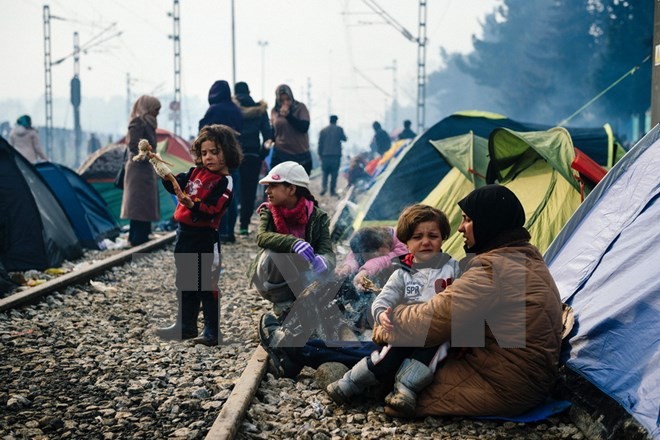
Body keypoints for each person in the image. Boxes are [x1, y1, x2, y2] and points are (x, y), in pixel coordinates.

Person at [371, 184, 563, 418]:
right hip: (523, 375)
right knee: (413, 360)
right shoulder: (524, 256)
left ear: (488, 222)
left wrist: (387, 321)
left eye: (467, 220)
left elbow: (429, 323)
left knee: (392, 386)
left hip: (504, 384)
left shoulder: (493, 268)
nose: (460, 228)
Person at [326, 205, 461, 416]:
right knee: (385, 358)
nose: (426, 241)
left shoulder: (452, 267)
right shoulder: (402, 272)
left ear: (443, 237)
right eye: (418, 237)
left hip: (437, 330)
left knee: (432, 355)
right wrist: (381, 314)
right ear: (407, 242)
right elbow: (384, 298)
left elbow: (463, 294)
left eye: (433, 236)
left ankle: (405, 390)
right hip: (406, 329)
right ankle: (350, 382)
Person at [156, 124, 243, 346]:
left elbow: (214, 208)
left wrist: (192, 204)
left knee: (206, 284)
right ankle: (185, 325)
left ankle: (212, 331)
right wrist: (164, 174)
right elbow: (176, 185)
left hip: (205, 237)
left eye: (215, 152)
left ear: (228, 152)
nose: (209, 157)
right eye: (204, 153)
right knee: (185, 281)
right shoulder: (195, 172)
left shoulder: (225, 182)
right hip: (184, 234)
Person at [247, 161, 335, 319]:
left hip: (306, 279)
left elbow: (327, 251)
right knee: (272, 252)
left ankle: (305, 303)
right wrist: (293, 242)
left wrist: (324, 261)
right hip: (271, 282)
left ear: (291, 189)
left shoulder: (318, 216)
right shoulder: (268, 211)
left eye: (273, 186)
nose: (267, 191)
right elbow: (262, 237)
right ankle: (283, 305)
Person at [199, 80, 244, 244]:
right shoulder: (236, 110)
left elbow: (203, 129)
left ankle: (220, 230)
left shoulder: (214, 109)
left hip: (217, 160)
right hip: (233, 158)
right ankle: (230, 232)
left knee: (217, 196)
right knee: (231, 196)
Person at [232, 81, 273, 236]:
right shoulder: (260, 110)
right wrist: (262, 153)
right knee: (249, 191)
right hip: (253, 155)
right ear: (249, 91)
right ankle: (244, 225)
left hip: (234, 155)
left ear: (235, 93)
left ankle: (229, 226)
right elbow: (268, 134)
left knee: (232, 190)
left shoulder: (232, 108)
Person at [120, 95, 161, 246]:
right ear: (148, 108)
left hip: (145, 170)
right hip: (137, 170)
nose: (157, 113)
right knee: (138, 206)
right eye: (156, 109)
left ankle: (143, 234)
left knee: (145, 205)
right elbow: (133, 146)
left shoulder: (148, 124)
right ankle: (137, 237)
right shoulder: (138, 122)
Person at [335, 226, 408, 291]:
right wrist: (348, 267)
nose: (368, 259)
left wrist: (365, 271)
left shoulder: (404, 244)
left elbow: (384, 261)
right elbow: (354, 255)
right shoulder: (375, 239)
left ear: (380, 249)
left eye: (370, 257)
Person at [270, 85, 312, 175]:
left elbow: (304, 127)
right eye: (282, 100)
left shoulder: (300, 108)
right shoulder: (275, 111)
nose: (285, 103)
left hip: (300, 154)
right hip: (281, 153)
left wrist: (288, 116)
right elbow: (274, 131)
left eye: (288, 99)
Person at [317, 115, 347, 196]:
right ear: (336, 121)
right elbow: (345, 139)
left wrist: (319, 154)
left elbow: (320, 144)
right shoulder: (339, 129)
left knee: (325, 173)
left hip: (325, 155)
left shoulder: (323, 131)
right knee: (334, 173)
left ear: (329, 120)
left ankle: (324, 188)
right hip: (335, 156)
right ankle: (332, 191)